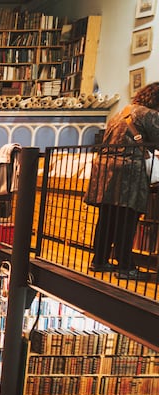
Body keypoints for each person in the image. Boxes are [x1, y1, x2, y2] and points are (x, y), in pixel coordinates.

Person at [85, 82, 159, 280]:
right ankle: (125, 267)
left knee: (107, 218)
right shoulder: (149, 115)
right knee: (127, 219)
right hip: (129, 173)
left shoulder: (120, 113)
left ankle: (99, 261)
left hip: (106, 171)